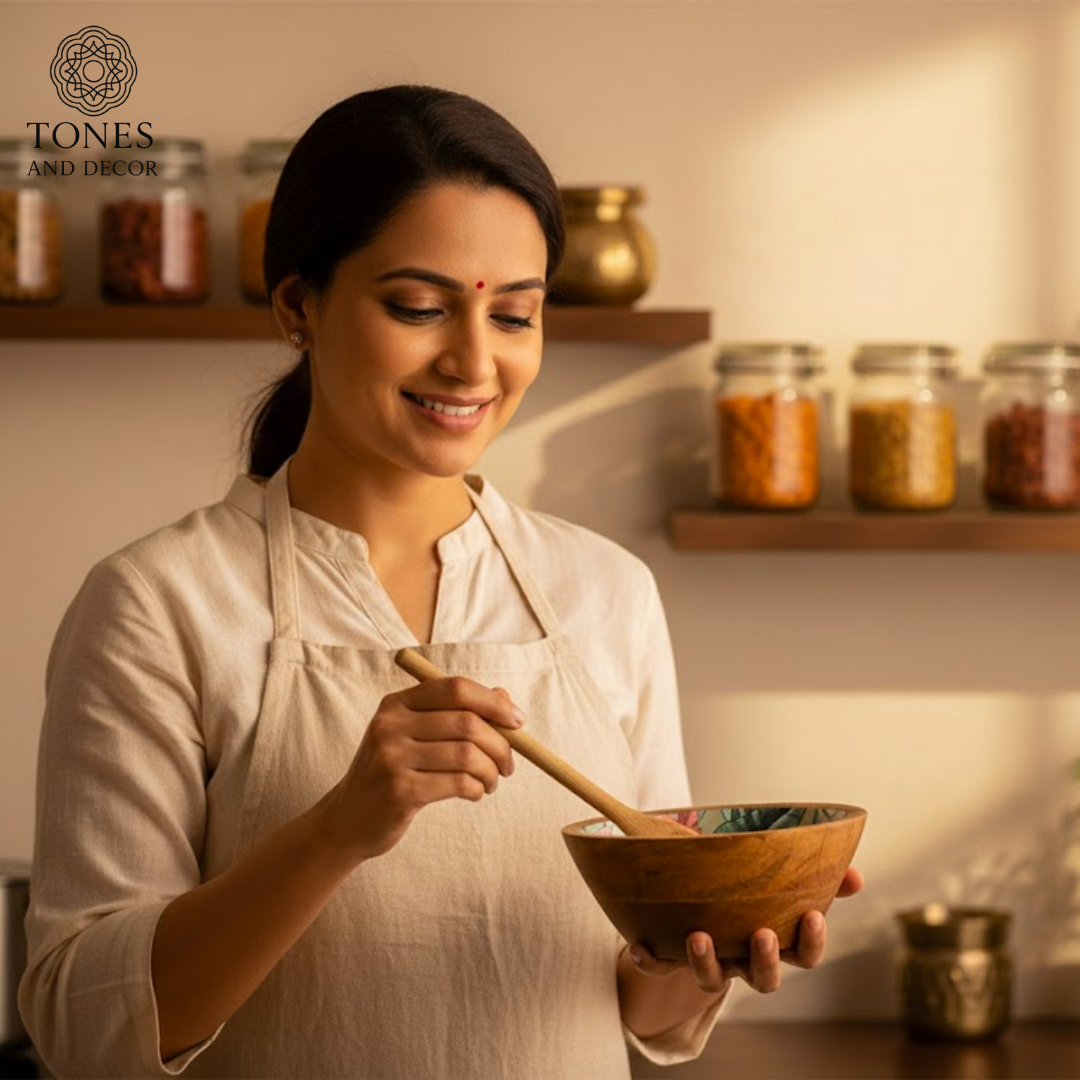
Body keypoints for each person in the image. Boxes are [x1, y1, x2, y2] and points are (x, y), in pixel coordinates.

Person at [18, 84, 863, 1078]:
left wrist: (711, 949)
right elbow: (83, 1028)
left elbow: (642, 1004)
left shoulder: (604, 591)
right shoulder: (158, 605)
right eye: (418, 307)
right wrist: (337, 830)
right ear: (298, 305)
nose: (472, 360)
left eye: (515, 314)